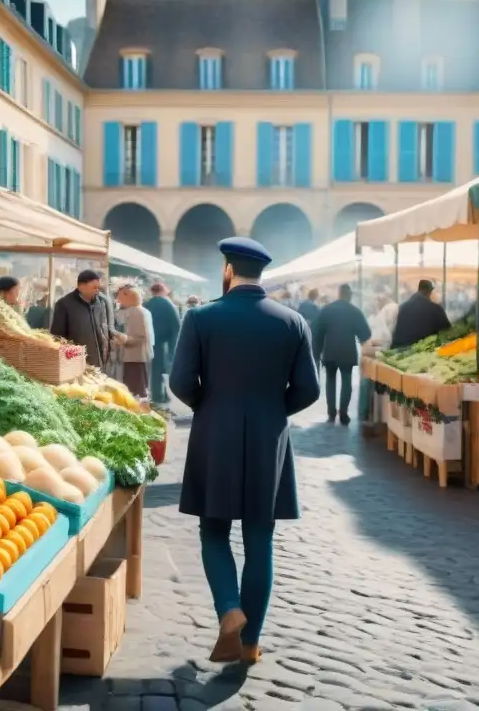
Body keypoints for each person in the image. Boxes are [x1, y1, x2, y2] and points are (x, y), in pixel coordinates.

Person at [170, 237, 319, 666]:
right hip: (268, 438)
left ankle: (229, 610)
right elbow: (309, 389)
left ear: (227, 271)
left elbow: (181, 382)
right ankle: (250, 643)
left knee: (213, 529)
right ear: (261, 274)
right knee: (260, 538)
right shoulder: (292, 322)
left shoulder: (200, 317)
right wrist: (274, 410)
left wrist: (209, 406)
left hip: (214, 433)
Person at [311, 284, 372, 424]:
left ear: (339, 294)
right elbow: (366, 334)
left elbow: (317, 332)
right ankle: (344, 414)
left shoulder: (327, 310)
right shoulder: (354, 311)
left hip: (329, 351)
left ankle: (331, 413)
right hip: (347, 352)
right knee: (346, 381)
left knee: (330, 381)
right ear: (349, 295)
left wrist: (317, 352)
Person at [50, 270, 124, 368]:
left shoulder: (102, 302)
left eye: (98, 287)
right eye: (94, 288)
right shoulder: (64, 304)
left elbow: (107, 327)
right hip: (77, 363)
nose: (97, 291)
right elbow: (58, 337)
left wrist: (116, 336)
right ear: (81, 287)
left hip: (101, 362)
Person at [145, 282, 181, 407]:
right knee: (163, 370)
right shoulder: (168, 304)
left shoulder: (147, 304)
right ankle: (161, 395)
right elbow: (176, 325)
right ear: (164, 290)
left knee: (153, 370)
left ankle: (155, 394)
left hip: (150, 342)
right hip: (164, 343)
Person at [390, 279, 451, 349]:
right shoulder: (435, 309)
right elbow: (447, 332)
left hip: (398, 350)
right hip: (420, 351)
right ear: (429, 292)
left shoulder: (403, 307)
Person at [115, 287, 153, 397]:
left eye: (120, 297)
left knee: (134, 388)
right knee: (136, 386)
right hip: (135, 357)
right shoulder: (139, 311)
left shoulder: (137, 312)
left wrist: (124, 339)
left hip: (135, 357)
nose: (118, 301)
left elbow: (141, 336)